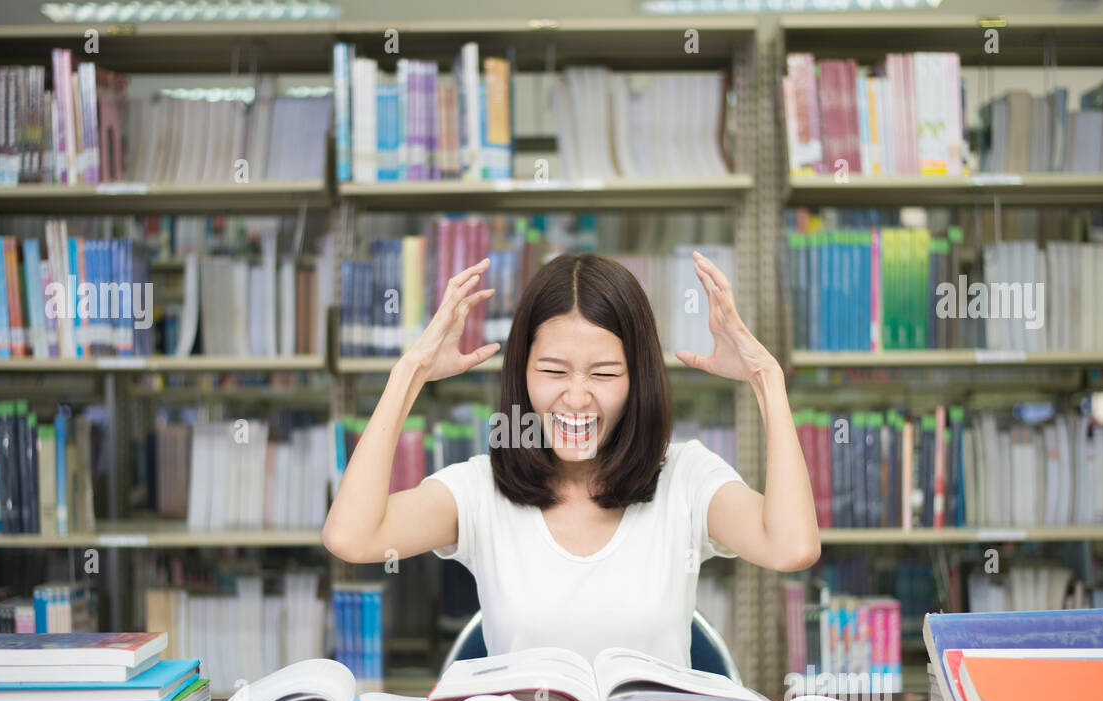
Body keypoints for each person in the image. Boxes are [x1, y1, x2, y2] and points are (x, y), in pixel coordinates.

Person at [322, 250, 820, 668]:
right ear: (522, 372)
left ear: (637, 380)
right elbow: (352, 537)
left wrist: (765, 379)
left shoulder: (685, 478)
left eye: (603, 374)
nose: (576, 399)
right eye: (554, 370)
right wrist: (409, 374)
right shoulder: (480, 490)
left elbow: (791, 548)